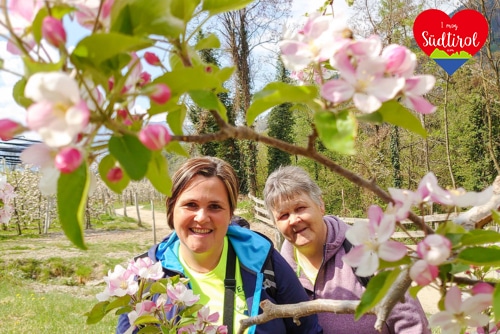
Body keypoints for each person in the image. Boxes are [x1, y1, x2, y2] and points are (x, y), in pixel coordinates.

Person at [117, 157, 322, 334]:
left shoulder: (262, 261)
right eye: (191, 205)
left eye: (215, 206)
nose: (202, 217)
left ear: (230, 214)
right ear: (171, 209)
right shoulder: (145, 278)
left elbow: (308, 329)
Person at [263, 165, 431, 334]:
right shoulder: (277, 271)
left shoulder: (367, 249)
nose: (293, 220)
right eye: (283, 215)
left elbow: (412, 324)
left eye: (300, 208)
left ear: (320, 205)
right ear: (275, 223)